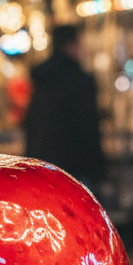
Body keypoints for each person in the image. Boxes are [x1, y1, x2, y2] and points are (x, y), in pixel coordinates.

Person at [23, 24, 106, 187]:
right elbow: (88, 127)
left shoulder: (42, 80)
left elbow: (31, 123)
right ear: (70, 45)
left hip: (42, 164)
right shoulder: (80, 81)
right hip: (74, 167)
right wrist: (98, 170)